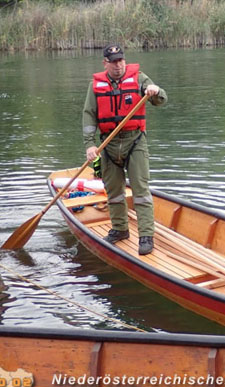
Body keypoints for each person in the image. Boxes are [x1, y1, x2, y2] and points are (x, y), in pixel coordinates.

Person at [83, 44, 167, 255]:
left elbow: (161, 99)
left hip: (135, 141)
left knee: (140, 190)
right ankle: (120, 229)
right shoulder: (95, 85)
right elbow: (89, 115)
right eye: (113, 62)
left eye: (121, 61)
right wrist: (90, 144)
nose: (118, 65)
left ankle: (146, 236)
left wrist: (154, 91)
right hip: (108, 144)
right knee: (113, 192)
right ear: (105, 63)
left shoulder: (139, 78)